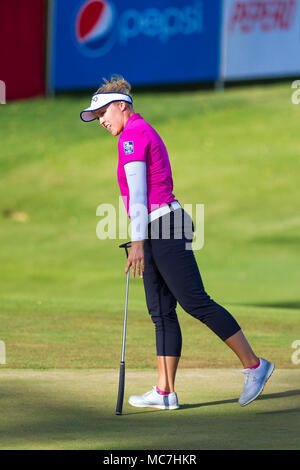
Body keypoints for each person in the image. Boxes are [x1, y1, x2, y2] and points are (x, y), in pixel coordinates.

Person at [80, 76, 274, 410]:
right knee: (160, 311)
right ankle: (165, 391)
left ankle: (255, 366)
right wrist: (140, 237)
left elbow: (140, 192)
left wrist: (139, 241)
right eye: (96, 117)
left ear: (121, 106)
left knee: (195, 302)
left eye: (103, 113)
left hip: (164, 225)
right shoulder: (133, 133)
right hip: (156, 226)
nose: (101, 120)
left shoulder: (132, 135)